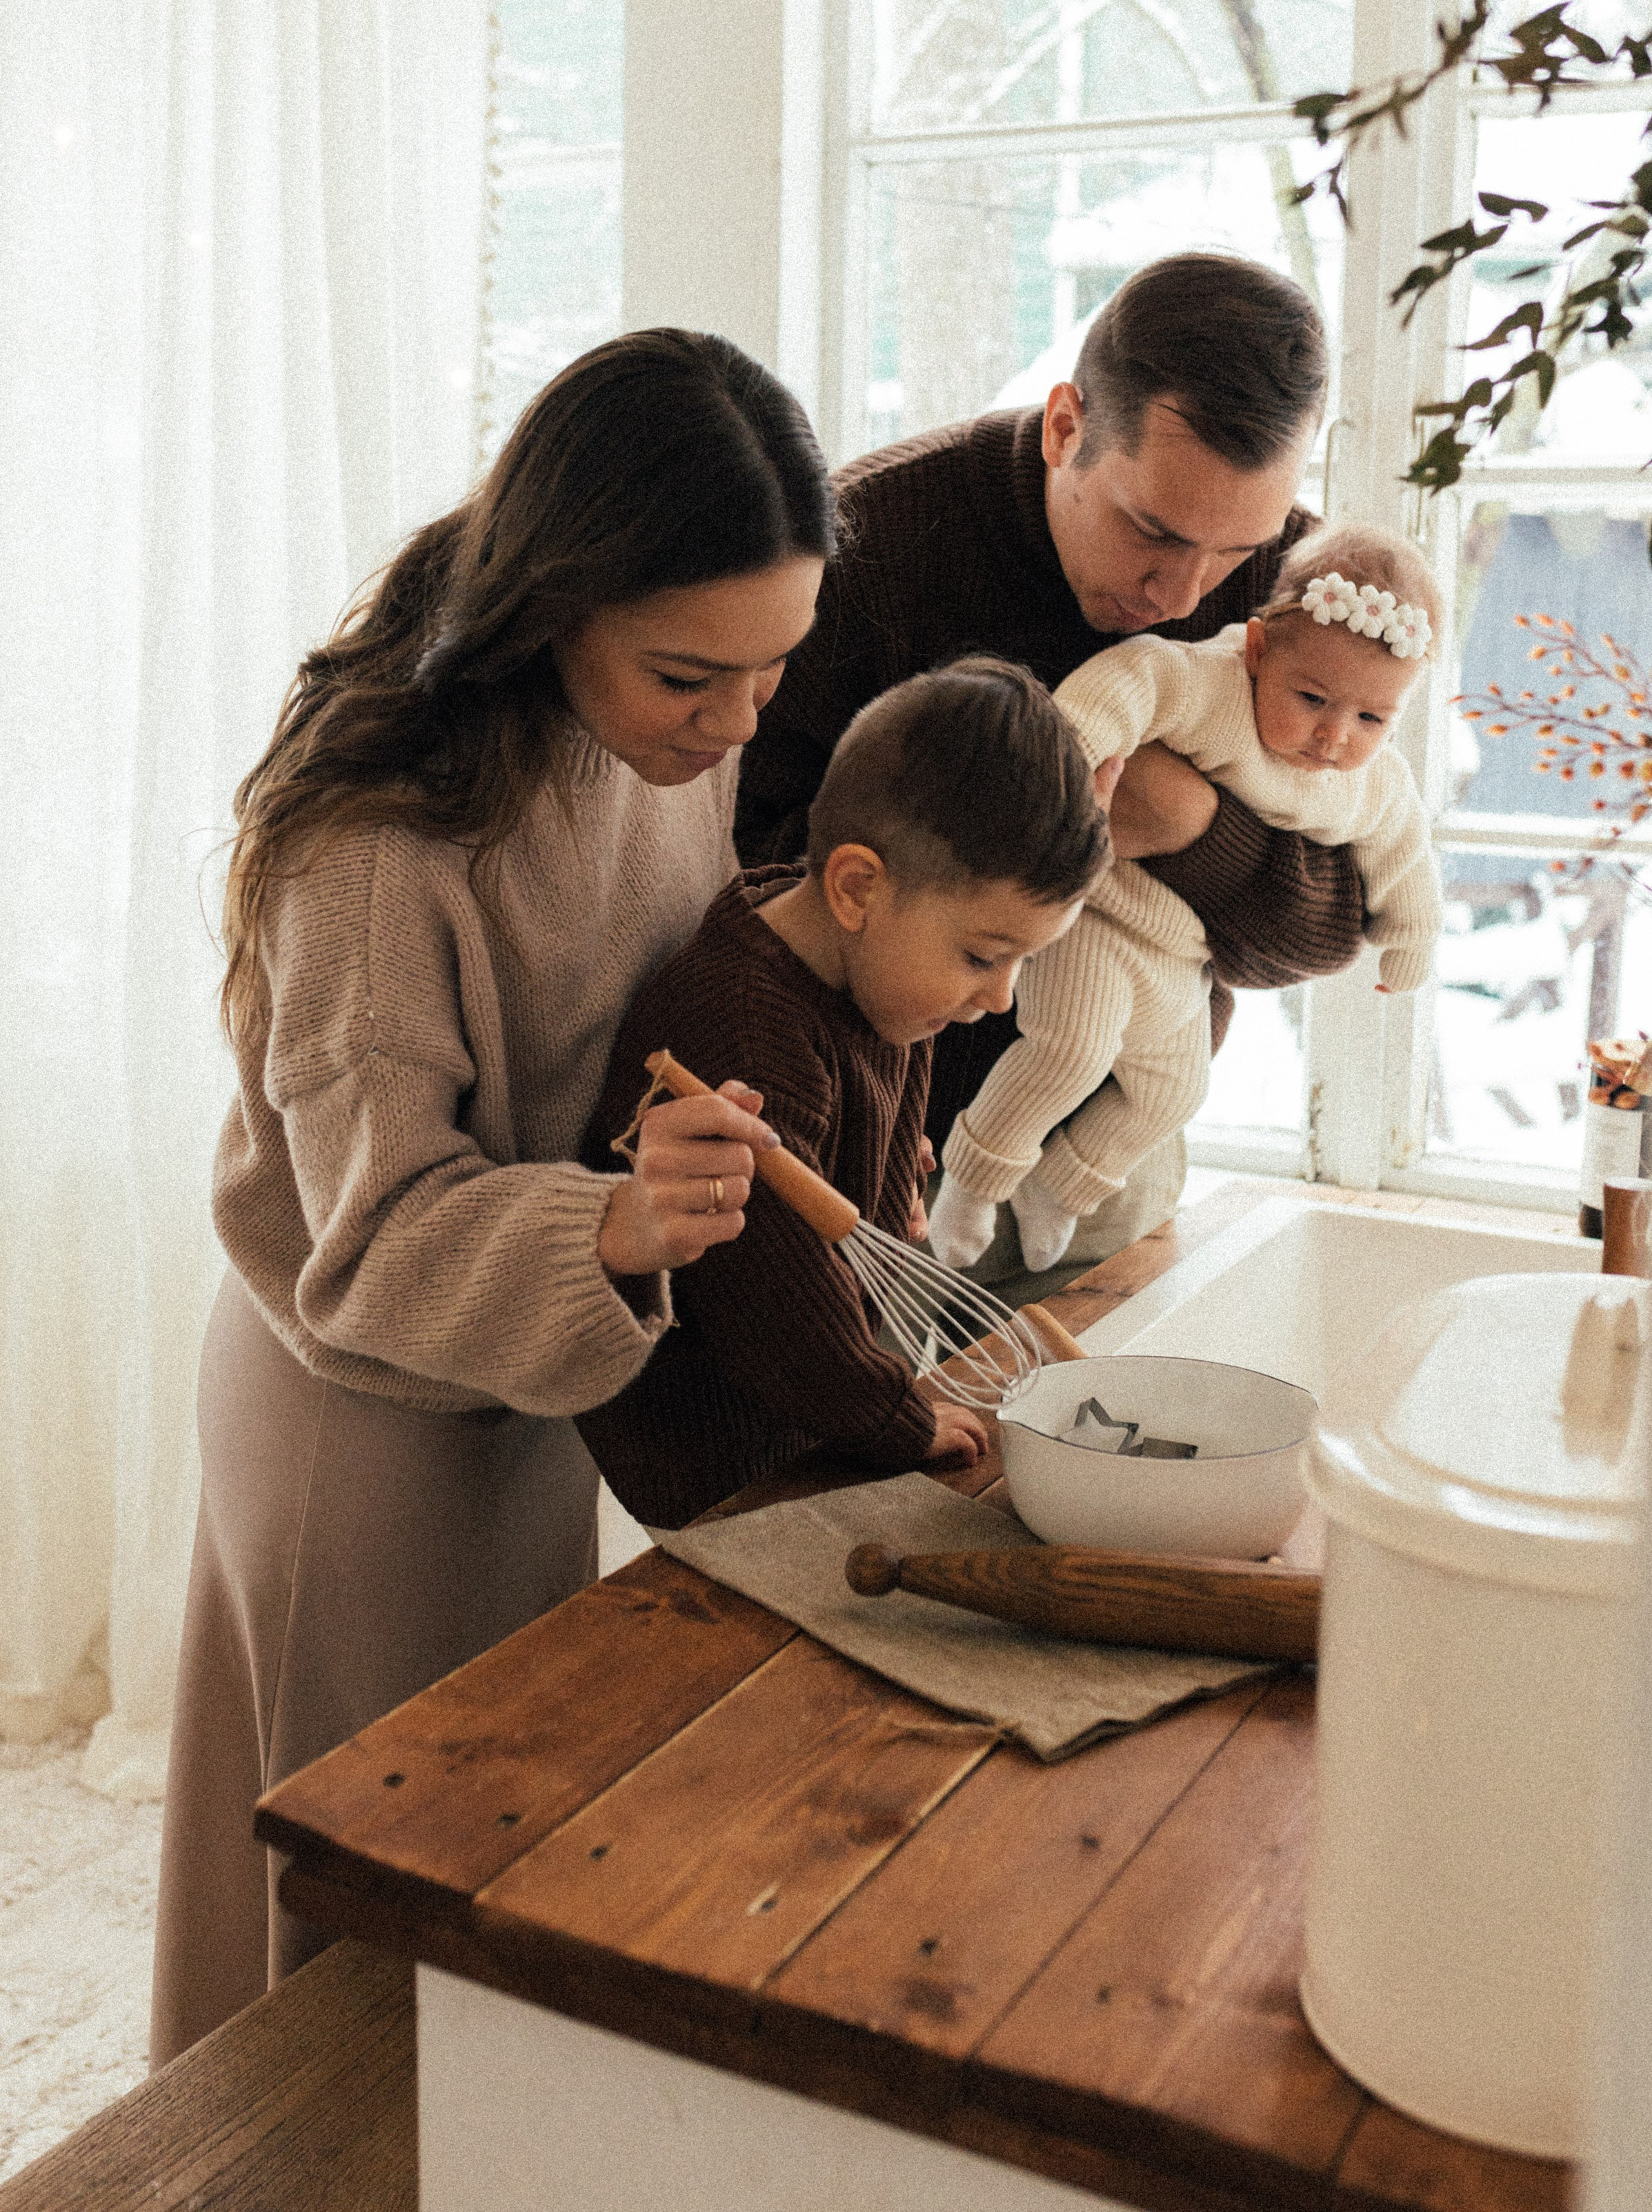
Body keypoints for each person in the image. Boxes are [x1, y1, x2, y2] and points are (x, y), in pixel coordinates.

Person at [150, 329, 837, 2069]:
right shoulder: (377, 851)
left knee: (487, 1870)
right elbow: (367, 1244)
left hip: (540, 1374)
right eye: (695, 675)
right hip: (361, 1414)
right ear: (556, 608)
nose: (739, 720)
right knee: (337, 1931)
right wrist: (610, 1224)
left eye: (773, 668)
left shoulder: (659, 738)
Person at [735, 251, 1369, 1289]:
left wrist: (1194, 830)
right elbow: (736, 890)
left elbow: (1334, 923)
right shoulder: (864, 551)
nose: (1185, 590)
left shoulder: (1297, 591)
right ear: (1068, 424)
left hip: (1101, 1164)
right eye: (1153, 531)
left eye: (1233, 547)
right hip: (848, 1158)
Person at [577, 659, 1106, 1528]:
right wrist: (894, 1419)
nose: (1001, 996)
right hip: (729, 1451)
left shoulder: (880, 984)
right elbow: (776, 1307)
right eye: (982, 955)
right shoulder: (743, 1037)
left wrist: (891, 1176)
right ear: (857, 887)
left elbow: (890, 1099)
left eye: (1022, 961)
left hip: (812, 1413)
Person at [930, 525, 1444, 1274]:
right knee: (1071, 1049)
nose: (1335, 735)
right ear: (1260, 651)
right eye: (1311, 698)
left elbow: (1404, 851)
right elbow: (1134, 679)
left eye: (1372, 718)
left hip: (1184, 959)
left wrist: (1412, 937)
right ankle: (973, 1182)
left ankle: (1060, 1189)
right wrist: (1073, 754)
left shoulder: (1370, 780)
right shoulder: (1211, 686)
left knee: (1174, 1090)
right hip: (1100, 916)